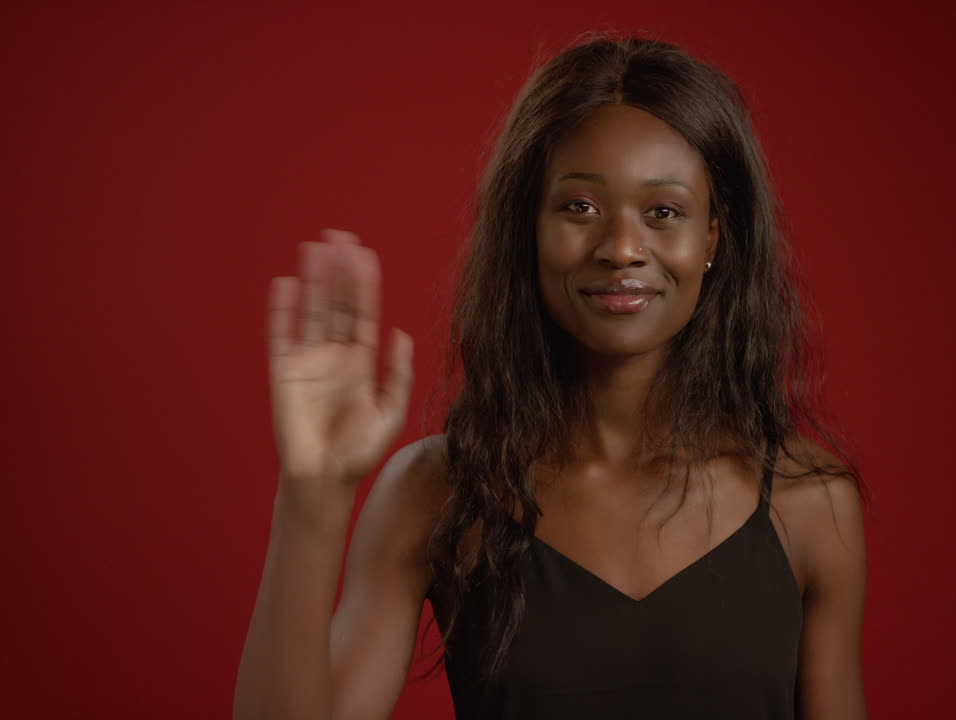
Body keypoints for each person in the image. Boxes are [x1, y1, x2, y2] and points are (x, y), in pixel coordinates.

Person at [235, 33, 868, 720]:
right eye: (580, 208)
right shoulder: (438, 493)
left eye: (663, 212)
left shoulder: (811, 506)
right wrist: (312, 495)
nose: (622, 248)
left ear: (712, 236)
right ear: (528, 229)